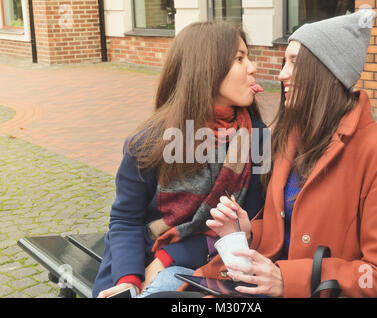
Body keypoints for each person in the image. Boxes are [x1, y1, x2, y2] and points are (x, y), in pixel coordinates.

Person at [194, 9, 377, 298]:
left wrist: (289, 279)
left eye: (294, 63)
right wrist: (247, 231)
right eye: (285, 62)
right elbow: (285, 234)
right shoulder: (293, 137)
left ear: (330, 74)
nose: (282, 74)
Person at [92, 21, 269, 298]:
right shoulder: (150, 141)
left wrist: (169, 256)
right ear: (206, 68)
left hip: (212, 267)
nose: (252, 68)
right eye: (239, 58)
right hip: (136, 260)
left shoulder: (257, 138)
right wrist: (128, 280)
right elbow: (125, 219)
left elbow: (252, 225)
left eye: (248, 57)